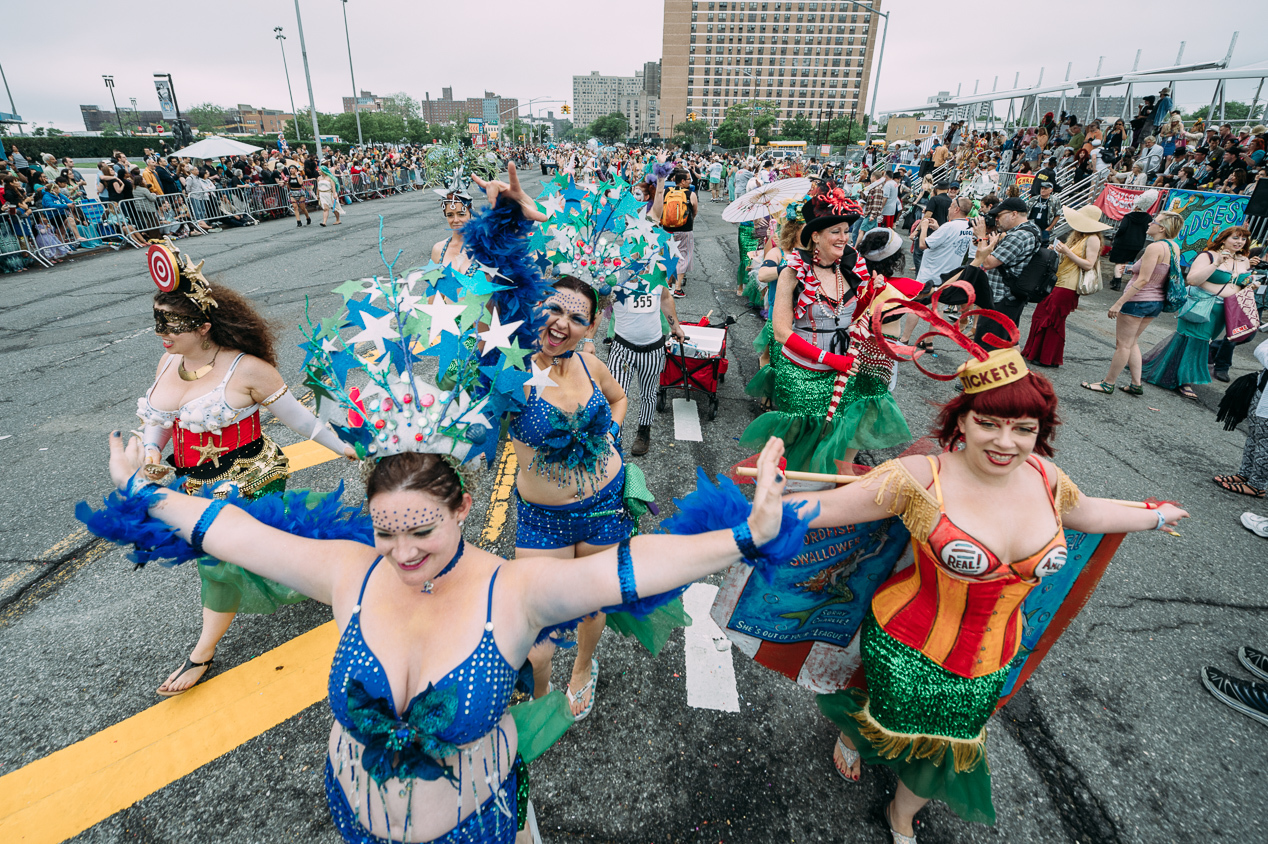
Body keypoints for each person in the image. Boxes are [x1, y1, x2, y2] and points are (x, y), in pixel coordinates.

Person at [784, 344, 1187, 842]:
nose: (1006, 442)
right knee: (882, 716)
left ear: (1041, 433)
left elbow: (1092, 515)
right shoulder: (917, 479)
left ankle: (901, 815)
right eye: (989, 423)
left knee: (950, 744)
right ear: (963, 421)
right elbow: (817, 512)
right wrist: (734, 519)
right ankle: (853, 733)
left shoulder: (1046, 477)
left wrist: (1154, 516)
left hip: (993, 655)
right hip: (904, 647)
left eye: (1024, 429)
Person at [134, 243, 355, 695]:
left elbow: (305, 422)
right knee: (277, 548)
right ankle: (346, 568)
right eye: (158, 320)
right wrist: (153, 454)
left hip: (250, 478)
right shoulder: (167, 361)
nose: (162, 333)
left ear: (204, 326)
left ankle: (202, 652)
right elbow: (156, 421)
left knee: (219, 562)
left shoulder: (249, 370)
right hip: (192, 482)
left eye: (171, 324)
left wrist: (348, 448)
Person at [511, 275, 631, 719]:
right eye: (554, 310)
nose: (562, 324)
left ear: (591, 327)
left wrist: (613, 436)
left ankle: (583, 667)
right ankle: (540, 694)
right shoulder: (509, 372)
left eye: (577, 318)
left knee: (591, 604)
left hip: (605, 507)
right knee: (536, 634)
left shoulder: (588, 365)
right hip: (544, 520)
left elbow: (618, 399)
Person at [739, 191, 870, 472]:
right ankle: (787, 501)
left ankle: (824, 504)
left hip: (843, 374)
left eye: (846, 231)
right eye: (835, 231)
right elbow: (782, 332)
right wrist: (831, 358)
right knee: (798, 447)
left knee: (833, 442)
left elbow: (857, 315)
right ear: (815, 237)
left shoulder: (851, 268)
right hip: (802, 374)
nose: (844, 238)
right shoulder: (792, 272)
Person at [1141, 227, 1255, 399]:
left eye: (1243, 239)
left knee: (1200, 341)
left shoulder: (1244, 261)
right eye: (1235, 238)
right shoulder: (1208, 256)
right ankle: (1184, 381)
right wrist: (1216, 266)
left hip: (1225, 310)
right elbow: (1193, 280)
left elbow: (1239, 285)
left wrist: (1250, 285)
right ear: (1223, 239)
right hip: (1200, 305)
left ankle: (1165, 369)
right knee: (1195, 341)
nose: (1240, 242)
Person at [1081, 211, 1184, 396]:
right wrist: (1131, 269)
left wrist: (1119, 303)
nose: (1149, 223)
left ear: (1162, 228)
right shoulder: (1173, 247)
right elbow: (1158, 274)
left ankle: (1108, 383)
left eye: (1154, 221)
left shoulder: (1155, 248)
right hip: (1156, 301)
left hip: (1138, 300)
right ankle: (1136, 383)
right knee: (1132, 342)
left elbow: (1143, 280)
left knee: (1123, 344)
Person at [1023, 205, 1108, 367]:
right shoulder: (1079, 237)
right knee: (1041, 316)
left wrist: (1067, 252)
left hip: (1068, 286)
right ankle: (1035, 352)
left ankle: (1046, 357)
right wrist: (1058, 251)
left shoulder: (1093, 239)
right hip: (1058, 282)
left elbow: (1089, 264)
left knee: (1052, 320)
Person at [968, 196, 1041, 340]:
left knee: (987, 345)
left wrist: (982, 237)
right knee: (1007, 343)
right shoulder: (1032, 229)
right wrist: (989, 244)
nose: (996, 219)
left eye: (999, 215)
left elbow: (988, 263)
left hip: (1001, 299)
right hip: (1010, 298)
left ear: (1014, 214)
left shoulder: (1019, 236)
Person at [657, 169, 697, 299]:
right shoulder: (690, 194)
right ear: (682, 181)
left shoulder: (666, 192)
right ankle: (678, 288)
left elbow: (659, 208)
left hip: (667, 229)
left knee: (668, 255)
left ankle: (668, 283)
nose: (690, 181)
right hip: (684, 229)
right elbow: (694, 211)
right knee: (683, 257)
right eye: (688, 179)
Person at [1108, 190, 1156, 290]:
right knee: (1125, 262)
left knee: (1118, 262)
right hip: (1137, 244)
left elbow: (1122, 229)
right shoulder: (1148, 218)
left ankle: (1117, 282)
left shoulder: (1128, 216)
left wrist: (1117, 237)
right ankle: (1115, 279)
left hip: (1123, 242)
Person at [1027, 182, 1059, 246]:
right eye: (1042, 188)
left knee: (1043, 245)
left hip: (1044, 229)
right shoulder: (1034, 199)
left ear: (1051, 190)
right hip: (1032, 227)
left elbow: (1057, 215)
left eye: (1045, 189)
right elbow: (1026, 211)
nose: (1043, 190)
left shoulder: (1054, 200)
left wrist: (1049, 228)